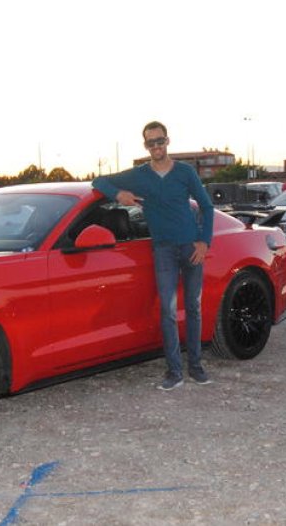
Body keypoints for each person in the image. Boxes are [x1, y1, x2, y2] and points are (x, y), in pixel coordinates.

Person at [92, 121, 216, 390]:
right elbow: (98, 181)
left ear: (168, 141)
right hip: (163, 251)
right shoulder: (139, 176)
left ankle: (196, 367)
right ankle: (174, 372)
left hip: (191, 248)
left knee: (193, 308)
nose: (156, 146)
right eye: (151, 143)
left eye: (160, 141)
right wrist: (118, 193)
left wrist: (204, 242)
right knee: (168, 311)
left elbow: (206, 206)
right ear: (145, 145)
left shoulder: (184, 172)